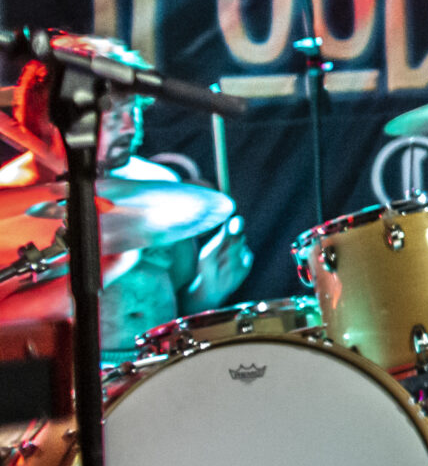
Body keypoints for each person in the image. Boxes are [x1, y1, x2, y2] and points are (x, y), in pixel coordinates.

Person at [0, 37, 250, 354]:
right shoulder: (10, 200)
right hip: (67, 373)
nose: (131, 127)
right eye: (115, 114)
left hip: (158, 363)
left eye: (135, 111)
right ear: (54, 119)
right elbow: (3, 318)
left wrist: (208, 291)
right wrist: (109, 266)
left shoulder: (157, 186)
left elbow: (181, 300)